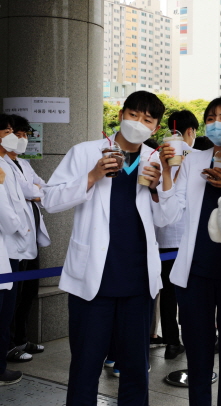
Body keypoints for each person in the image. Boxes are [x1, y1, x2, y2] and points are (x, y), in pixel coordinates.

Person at [43, 91, 167, 405]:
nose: (139, 123)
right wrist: (93, 175)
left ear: (155, 128)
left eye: (147, 120)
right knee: (85, 366)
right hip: (92, 282)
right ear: (121, 114)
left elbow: (169, 216)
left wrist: (157, 191)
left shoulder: (156, 160)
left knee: (136, 369)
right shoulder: (85, 152)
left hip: (138, 282)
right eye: (134, 115)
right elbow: (50, 199)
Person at [157, 96, 221, 405]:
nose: (216, 122)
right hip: (195, 271)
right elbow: (168, 214)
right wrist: (168, 172)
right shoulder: (194, 158)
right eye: (211, 117)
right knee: (197, 351)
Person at [156, 110, 200, 360]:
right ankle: (194, 337)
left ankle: (172, 342)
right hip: (187, 237)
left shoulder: (158, 153)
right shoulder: (194, 157)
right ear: (191, 131)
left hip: (163, 237)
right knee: (189, 291)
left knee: (168, 295)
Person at [5, 115, 50, 362]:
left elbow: (41, 186)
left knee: (28, 291)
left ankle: (21, 338)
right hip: (15, 239)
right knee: (14, 293)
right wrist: (35, 192)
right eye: (16, 134)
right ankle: (10, 344)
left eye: (24, 135)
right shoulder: (3, 164)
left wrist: (36, 192)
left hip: (30, 237)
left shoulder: (23, 163)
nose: (21, 139)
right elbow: (28, 189)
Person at [0, 114, 33, 385]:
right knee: (3, 309)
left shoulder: (8, 164)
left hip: (11, 245)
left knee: (7, 308)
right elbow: (5, 208)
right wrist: (20, 228)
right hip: (7, 244)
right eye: (9, 131)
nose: (15, 136)